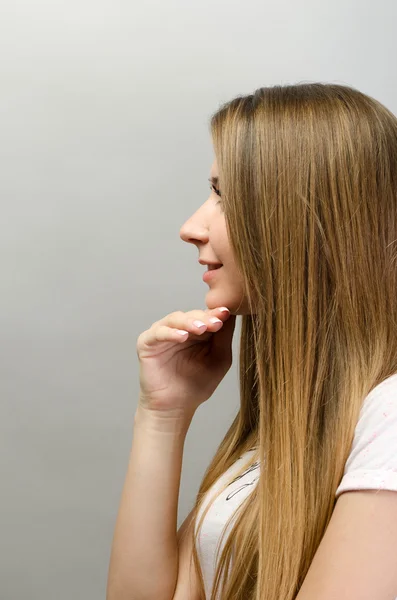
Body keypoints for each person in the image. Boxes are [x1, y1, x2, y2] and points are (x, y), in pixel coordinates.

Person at [106, 82, 397, 600]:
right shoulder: (288, 426)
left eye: (225, 194)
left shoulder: (391, 416)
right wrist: (163, 415)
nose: (191, 227)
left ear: (309, 221)